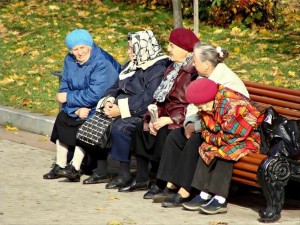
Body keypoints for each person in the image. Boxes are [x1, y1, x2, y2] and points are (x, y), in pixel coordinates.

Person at [147, 43, 250, 208]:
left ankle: (186, 189)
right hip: (206, 123)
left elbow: (223, 118)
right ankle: (170, 184)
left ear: (207, 64)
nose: (193, 64)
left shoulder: (226, 81)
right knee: (176, 137)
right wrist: (189, 123)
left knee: (195, 141)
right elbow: (193, 106)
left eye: (195, 60)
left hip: (231, 130)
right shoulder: (204, 76)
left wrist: (195, 127)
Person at [75, 30, 170, 185]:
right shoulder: (131, 65)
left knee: (120, 128)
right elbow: (115, 86)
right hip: (122, 107)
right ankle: (101, 170)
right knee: (97, 122)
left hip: (141, 111)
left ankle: (124, 173)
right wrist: (108, 101)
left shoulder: (157, 68)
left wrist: (121, 109)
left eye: (131, 48)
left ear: (143, 47)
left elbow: (149, 97)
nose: (128, 51)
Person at [117, 28, 200, 192]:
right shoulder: (172, 68)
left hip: (179, 119)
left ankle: (162, 182)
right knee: (141, 128)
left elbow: (192, 105)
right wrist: (151, 117)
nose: (168, 49)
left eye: (172, 46)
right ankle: (141, 178)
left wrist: (172, 120)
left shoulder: (193, 72)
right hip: (164, 115)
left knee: (165, 134)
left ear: (185, 50)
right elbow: (159, 97)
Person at [43, 29, 121, 181]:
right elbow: (64, 87)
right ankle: (60, 165)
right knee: (62, 118)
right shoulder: (70, 60)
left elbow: (96, 95)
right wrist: (75, 109)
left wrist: (69, 99)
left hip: (102, 105)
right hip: (78, 104)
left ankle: (75, 167)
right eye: (75, 49)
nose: (79, 53)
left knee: (85, 121)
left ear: (90, 46)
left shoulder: (102, 62)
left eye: (82, 48)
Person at [182, 78, 264, 214]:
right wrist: (211, 138)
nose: (199, 109)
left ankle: (220, 199)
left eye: (200, 105)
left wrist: (211, 137)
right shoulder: (210, 103)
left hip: (248, 138)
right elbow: (205, 129)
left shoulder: (233, 105)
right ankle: (204, 194)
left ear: (208, 98)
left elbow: (233, 136)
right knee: (206, 147)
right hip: (226, 137)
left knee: (225, 152)